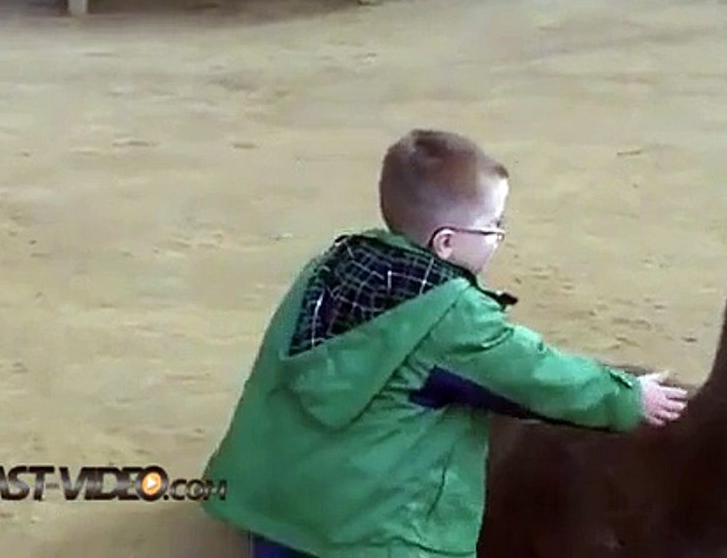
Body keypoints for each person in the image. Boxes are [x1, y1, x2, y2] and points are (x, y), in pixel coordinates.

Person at [199, 128, 689, 558]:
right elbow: (536, 377)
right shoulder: (453, 318)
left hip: (273, 510)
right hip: (372, 539)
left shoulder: (332, 265)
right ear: (447, 244)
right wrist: (627, 395)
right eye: (494, 225)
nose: (500, 235)